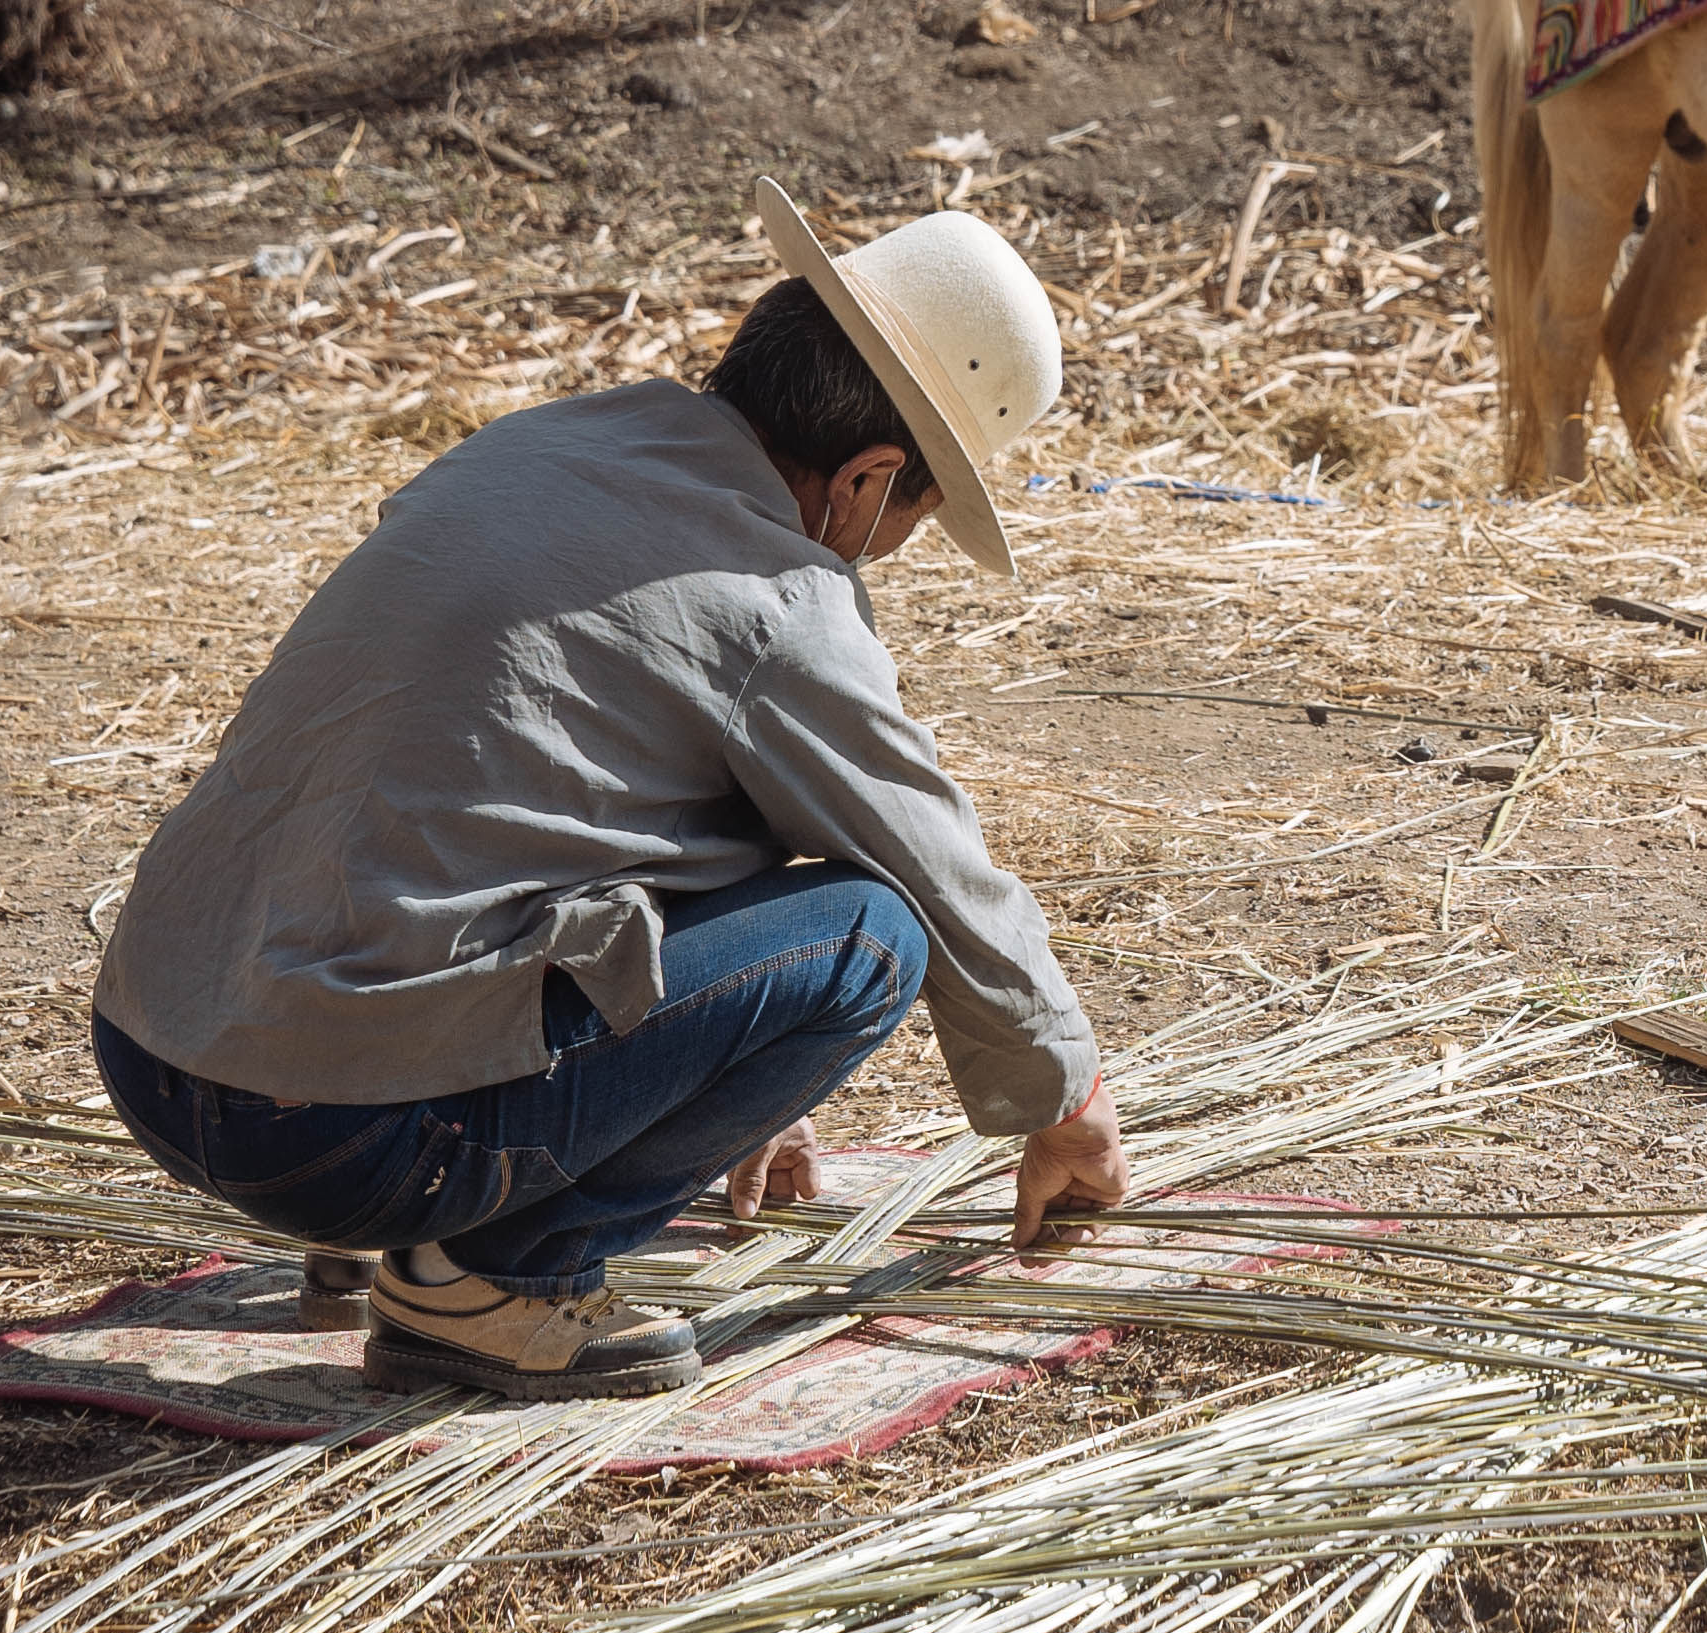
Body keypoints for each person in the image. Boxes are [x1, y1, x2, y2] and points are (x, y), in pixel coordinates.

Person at [89, 181, 1130, 1398]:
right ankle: (490, 1279)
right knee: (871, 933)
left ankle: (359, 1243)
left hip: (158, 1047)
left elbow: (555, 797)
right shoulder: (779, 603)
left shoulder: (526, 449)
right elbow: (932, 870)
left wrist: (700, 1094)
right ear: (865, 479)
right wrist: (1069, 1102)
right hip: (339, 1134)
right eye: (913, 513)